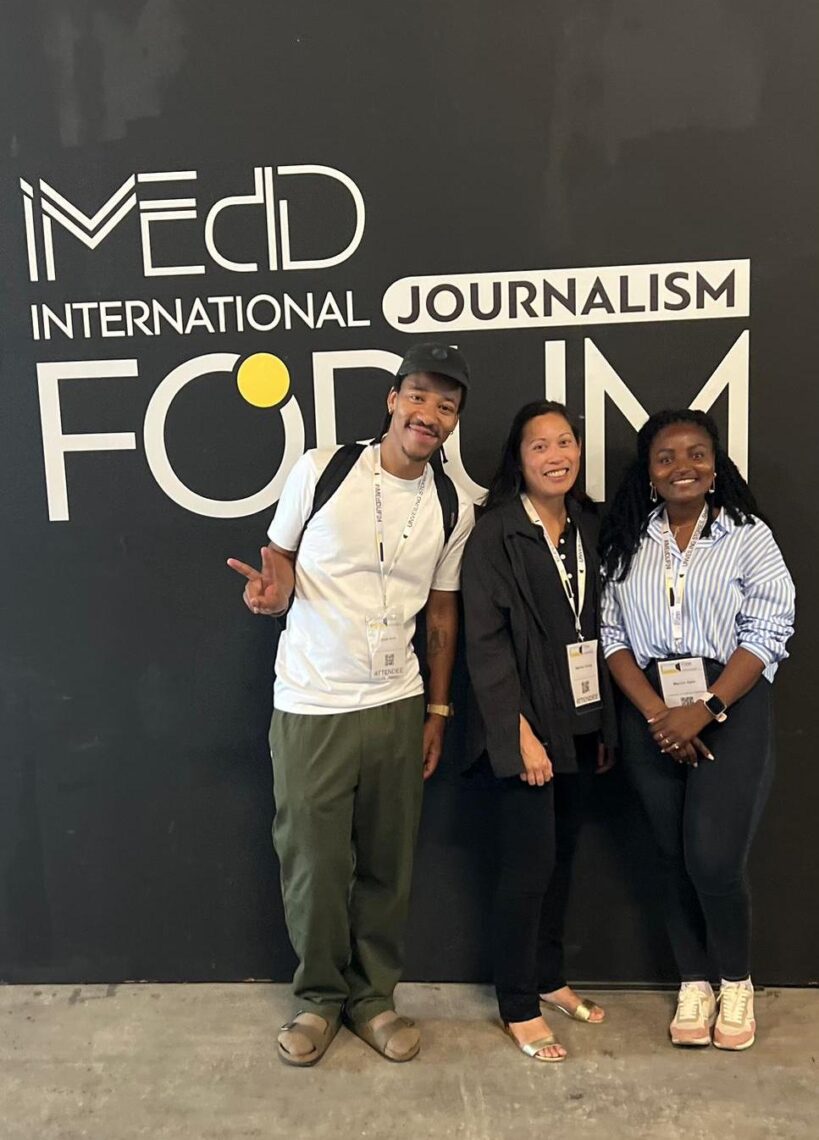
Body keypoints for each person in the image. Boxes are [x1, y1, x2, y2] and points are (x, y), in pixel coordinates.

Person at [227, 344, 475, 1066]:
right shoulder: (323, 468)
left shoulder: (451, 505)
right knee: (312, 861)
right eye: (420, 398)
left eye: (447, 407)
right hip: (311, 701)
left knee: (386, 865)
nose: (430, 415)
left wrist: (436, 711)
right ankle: (318, 1000)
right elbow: (277, 562)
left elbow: (441, 617)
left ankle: (372, 1000)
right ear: (393, 399)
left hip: (396, 704)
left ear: (453, 424)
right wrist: (272, 595)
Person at [599, 409, 795, 1051]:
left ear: (715, 467)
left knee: (712, 856)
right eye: (666, 457)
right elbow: (612, 637)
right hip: (649, 707)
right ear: (648, 473)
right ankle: (694, 981)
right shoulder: (627, 540)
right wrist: (660, 714)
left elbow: (769, 630)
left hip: (730, 705)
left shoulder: (747, 535)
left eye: (696, 454)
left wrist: (705, 708)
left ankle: (734, 980)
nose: (682, 466)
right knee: (668, 854)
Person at [461, 400, 616, 1063]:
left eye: (565, 443)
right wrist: (515, 734)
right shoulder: (496, 532)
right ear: (517, 462)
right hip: (525, 729)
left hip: (582, 721)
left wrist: (604, 722)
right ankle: (518, 1003)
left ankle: (548, 977)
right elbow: (486, 646)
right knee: (526, 870)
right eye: (539, 447)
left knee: (561, 863)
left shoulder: (591, 525)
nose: (556, 456)